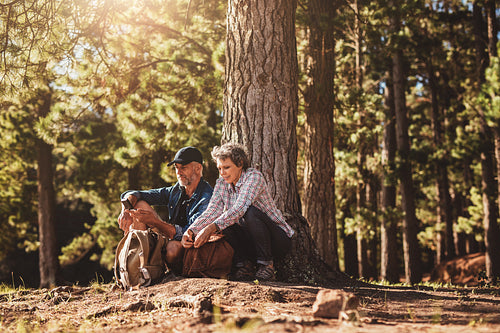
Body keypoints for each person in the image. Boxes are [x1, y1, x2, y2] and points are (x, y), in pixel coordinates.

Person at [181, 142, 294, 281]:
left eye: (227, 167)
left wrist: (210, 228)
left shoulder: (253, 177)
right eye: (219, 168)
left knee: (249, 212)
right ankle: (245, 266)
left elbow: (239, 209)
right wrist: (192, 230)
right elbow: (212, 211)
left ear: (240, 164)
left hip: (277, 240)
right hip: (251, 242)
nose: (222, 173)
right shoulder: (221, 183)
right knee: (224, 220)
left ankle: (267, 266)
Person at [118, 146, 213, 269]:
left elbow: (188, 232)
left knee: (172, 249)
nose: (178, 172)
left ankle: (151, 269)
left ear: (198, 168)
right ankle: (135, 269)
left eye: (183, 168)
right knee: (138, 205)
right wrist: (126, 209)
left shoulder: (207, 197)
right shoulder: (176, 190)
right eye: (176, 168)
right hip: (168, 238)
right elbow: (137, 194)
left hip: (189, 246)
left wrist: (154, 222)